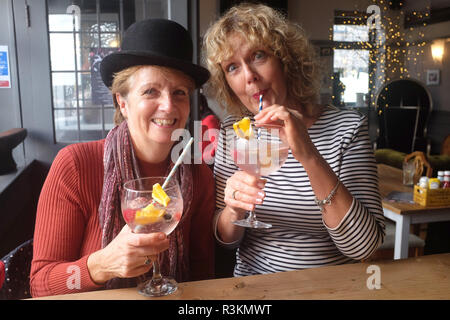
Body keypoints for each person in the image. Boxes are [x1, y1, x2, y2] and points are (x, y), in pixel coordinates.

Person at [30, 19, 215, 297]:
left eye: (179, 93)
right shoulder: (75, 165)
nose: (168, 105)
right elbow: (40, 284)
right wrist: (100, 266)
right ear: (123, 102)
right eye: (150, 91)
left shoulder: (196, 173)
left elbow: (203, 273)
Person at [202, 3, 385, 276]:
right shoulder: (235, 133)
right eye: (232, 67)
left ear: (285, 59)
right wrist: (233, 210)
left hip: (331, 289)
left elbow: (364, 247)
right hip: (254, 292)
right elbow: (224, 241)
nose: (249, 76)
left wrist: (309, 156)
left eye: (258, 56)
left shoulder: (346, 128)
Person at [198, 92, 220, 165]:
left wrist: (205, 159)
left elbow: (217, 145)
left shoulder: (209, 119)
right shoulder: (200, 121)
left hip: (208, 165)